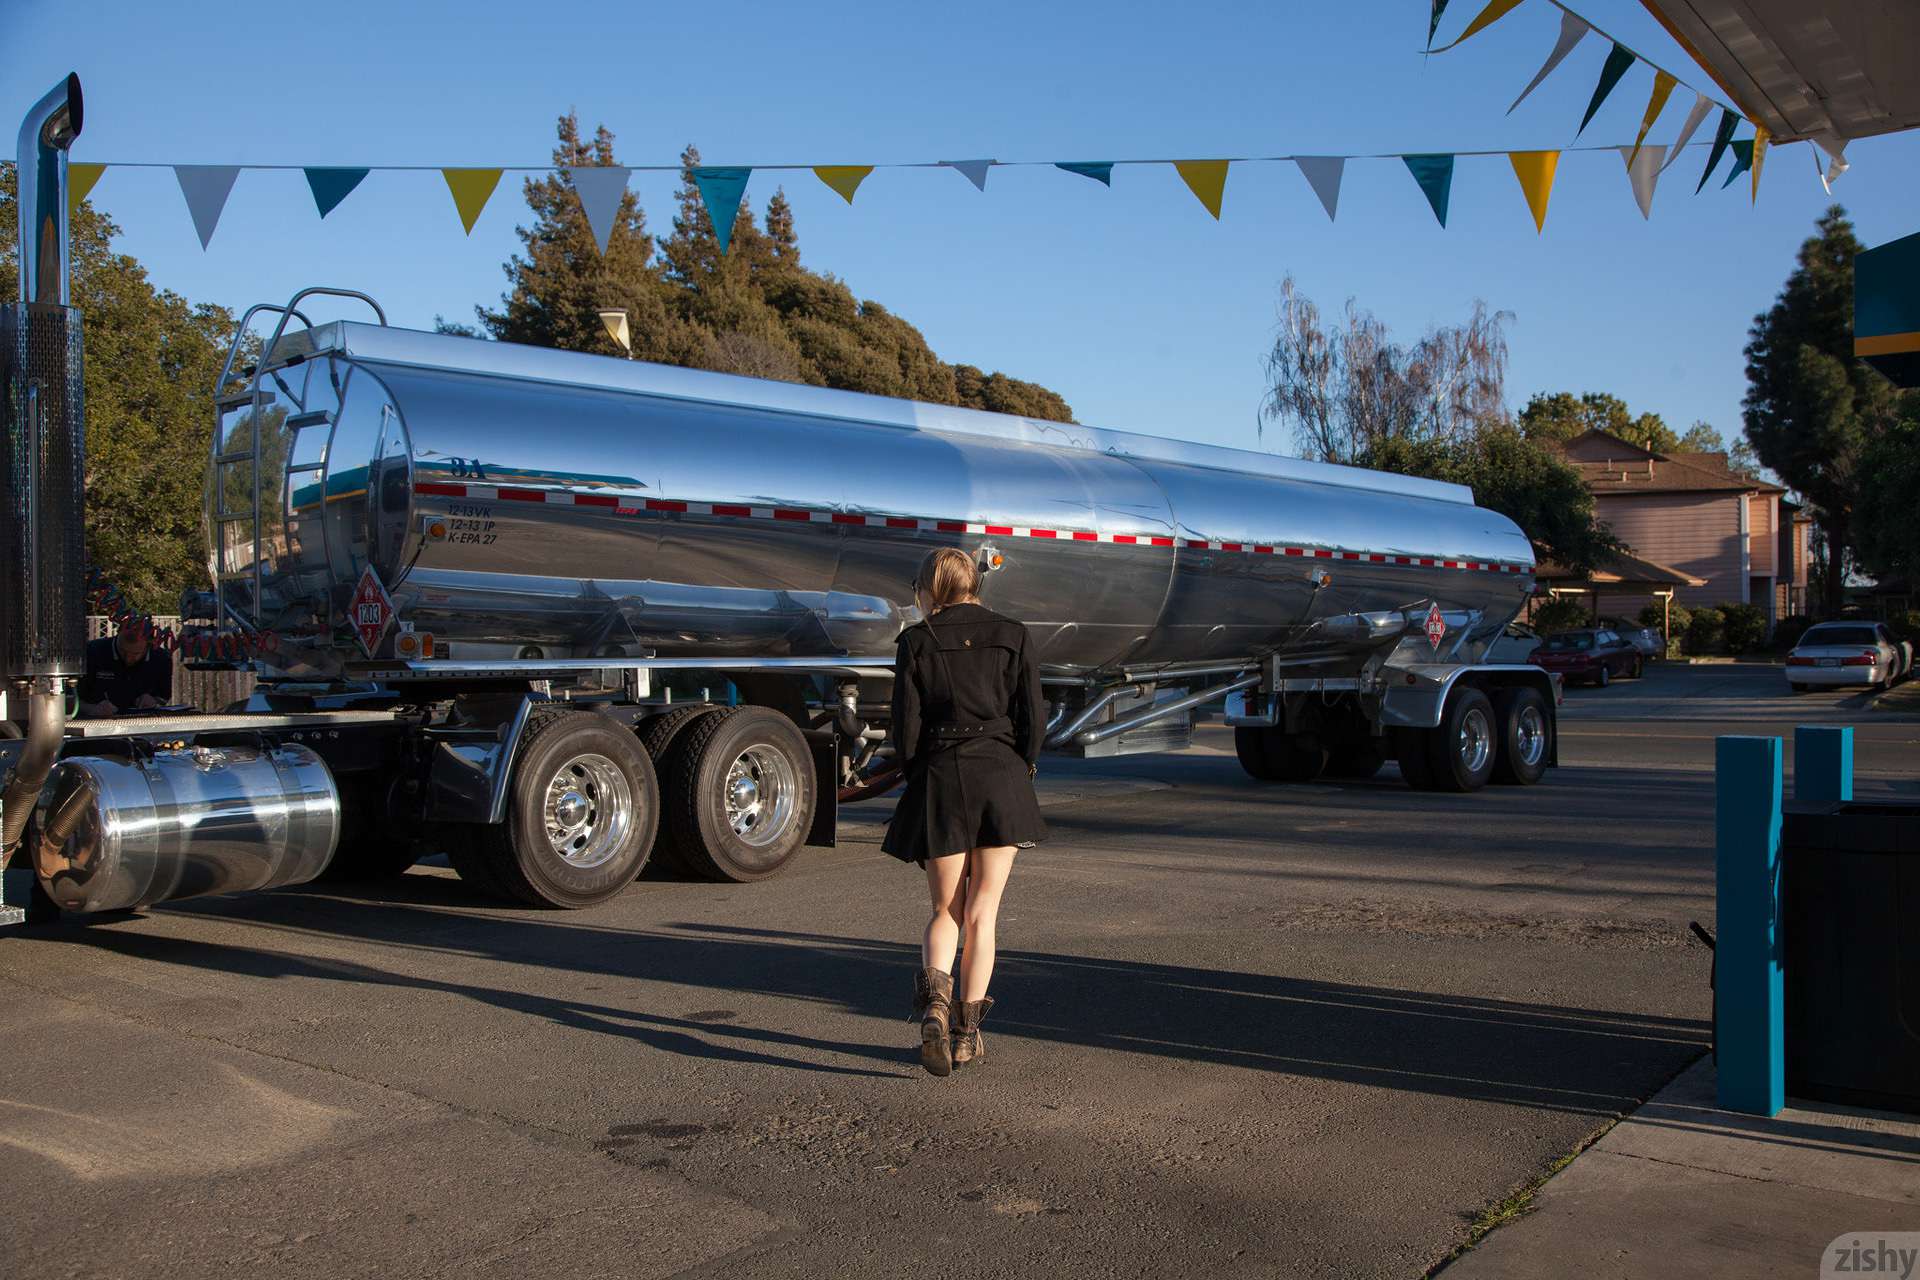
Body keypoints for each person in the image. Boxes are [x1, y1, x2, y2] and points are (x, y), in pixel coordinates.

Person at [883, 547, 1047, 1077]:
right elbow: (1033, 716)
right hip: (1000, 776)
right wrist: (1021, 767)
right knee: (983, 913)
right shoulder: (1014, 634)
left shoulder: (917, 641)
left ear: (930, 588)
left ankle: (934, 1003)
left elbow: (905, 727)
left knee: (944, 911)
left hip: (942, 776)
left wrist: (920, 775)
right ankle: (965, 1036)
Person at [77, 622, 172, 718]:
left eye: (135, 654)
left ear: (148, 646)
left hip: (142, 721)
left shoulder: (161, 658)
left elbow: (164, 696)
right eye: (123, 651)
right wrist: (91, 709)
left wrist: (153, 701)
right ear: (117, 637)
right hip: (94, 721)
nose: (128, 658)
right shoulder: (91, 652)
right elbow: (70, 698)